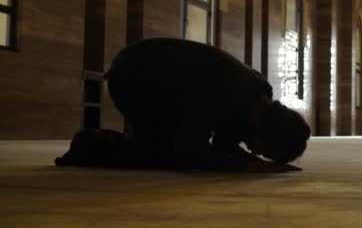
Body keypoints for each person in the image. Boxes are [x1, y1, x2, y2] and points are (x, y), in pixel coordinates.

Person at [56, 38, 310, 172]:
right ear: (270, 131)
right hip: (134, 79)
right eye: (264, 151)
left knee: (171, 150)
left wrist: (246, 164)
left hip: (163, 86)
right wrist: (245, 165)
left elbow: (224, 145)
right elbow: (190, 149)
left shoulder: (255, 98)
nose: (255, 152)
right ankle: (88, 144)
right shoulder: (226, 91)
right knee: (166, 156)